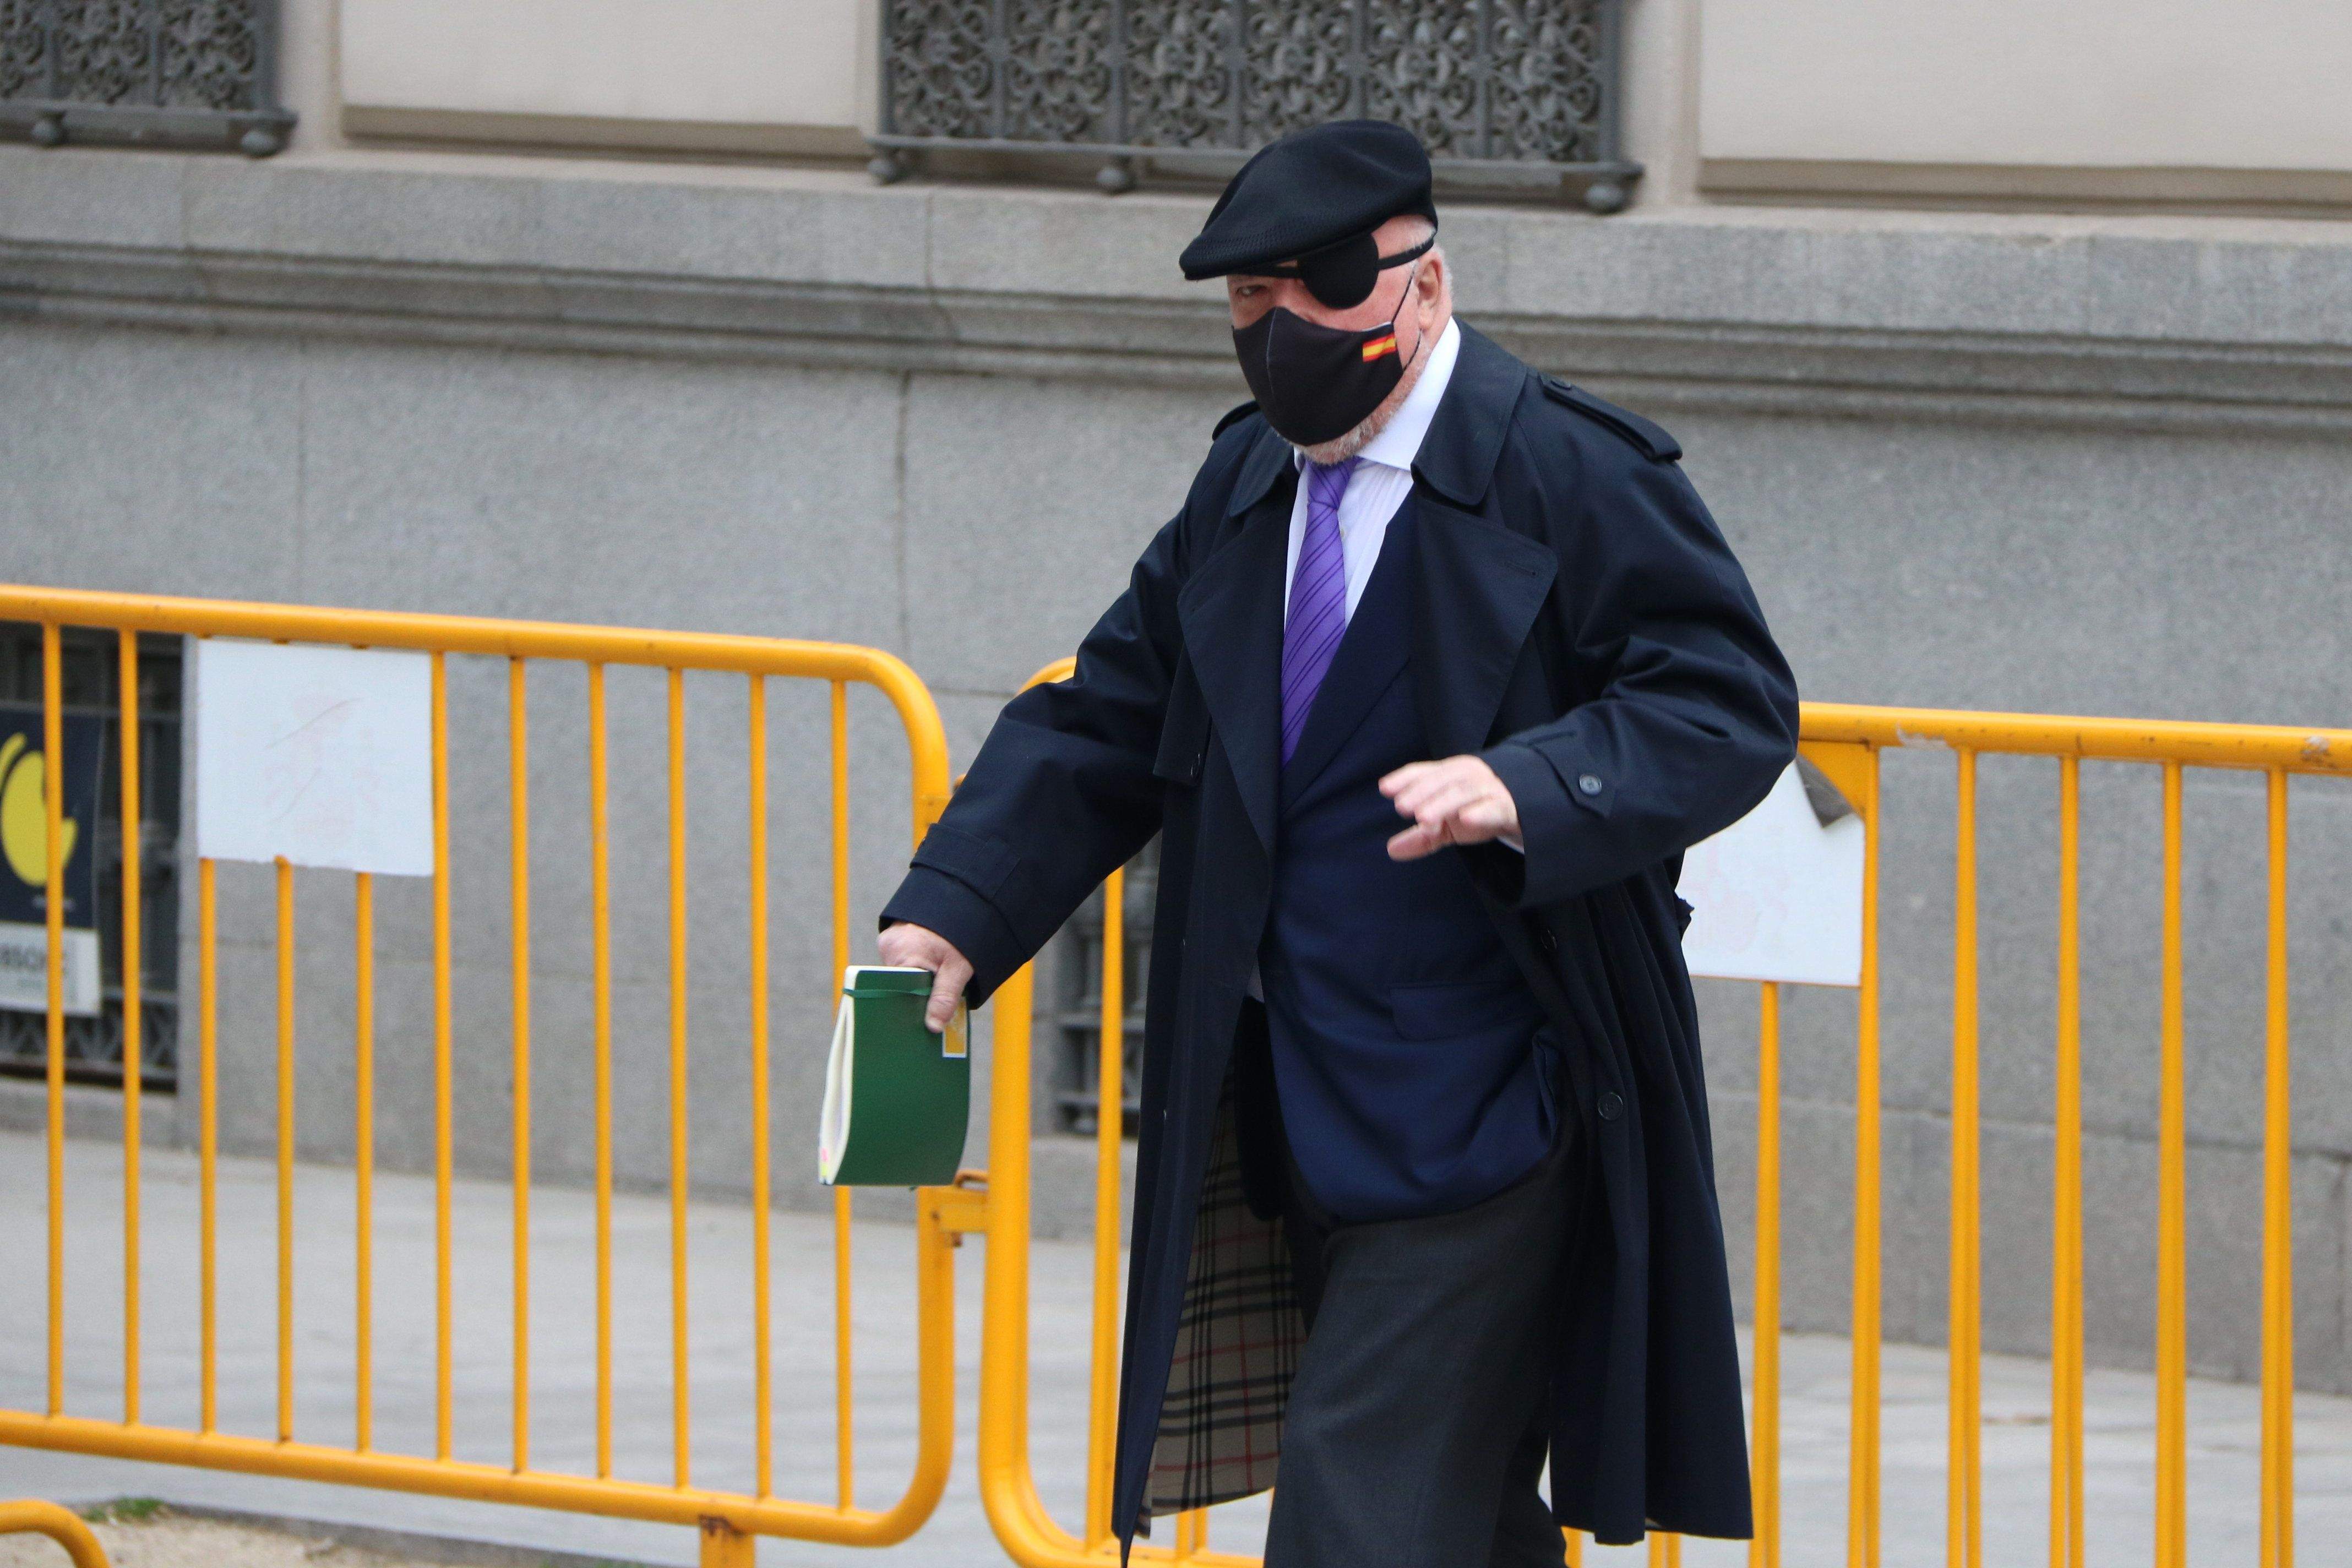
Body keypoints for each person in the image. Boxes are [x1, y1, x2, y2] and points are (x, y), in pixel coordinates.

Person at [877, 119, 1798, 1566]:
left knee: (1357, 1507)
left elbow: (1725, 700)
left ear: (1420, 287)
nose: (1278, 333)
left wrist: (1533, 784)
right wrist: (956, 911)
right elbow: (1106, 717)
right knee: (1453, 1515)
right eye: (1248, 306)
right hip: (1286, 1097)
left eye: (1312, 294)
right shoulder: (1245, 485)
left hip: (1495, 1106)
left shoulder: (1568, 470)